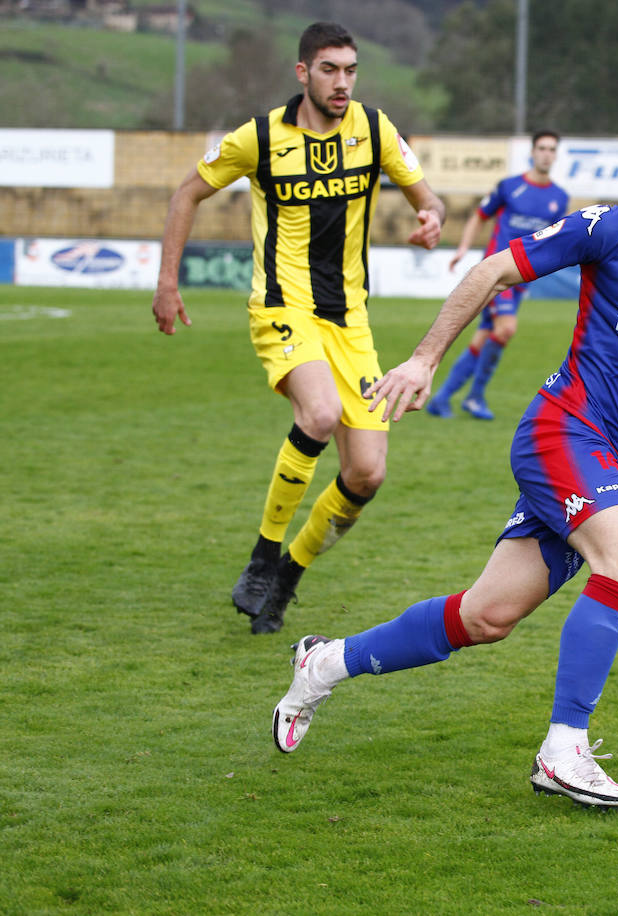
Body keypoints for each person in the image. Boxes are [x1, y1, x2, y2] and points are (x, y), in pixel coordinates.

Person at [270, 112, 618, 808]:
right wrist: (423, 357)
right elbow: (494, 269)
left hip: (612, 459)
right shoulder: (612, 229)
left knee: (485, 617)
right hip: (561, 433)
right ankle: (563, 748)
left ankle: (325, 663)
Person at [151, 22, 446, 634]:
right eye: (330, 69)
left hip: (351, 322)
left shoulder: (375, 128)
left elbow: (429, 199)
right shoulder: (259, 137)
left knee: (367, 473)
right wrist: (167, 281)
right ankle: (262, 557)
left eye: (351, 70)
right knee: (316, 414)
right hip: (283, 308)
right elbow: (186, 195)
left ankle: (286, 577)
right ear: (303, 72)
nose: (342, 82)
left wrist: (429, 219)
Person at [427, 131, 570, 420]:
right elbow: (479, 216)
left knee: (484, 336)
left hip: (521, 279)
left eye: (551, 149)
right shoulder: (509, 187)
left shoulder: (559, 197)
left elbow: (552, 240)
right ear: (532, 152)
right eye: (541, 148)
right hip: (496, 272)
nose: (546, 153)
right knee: (505, 329)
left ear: (555, 155)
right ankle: (475, 397)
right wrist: (464, 248)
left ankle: (441, 399)